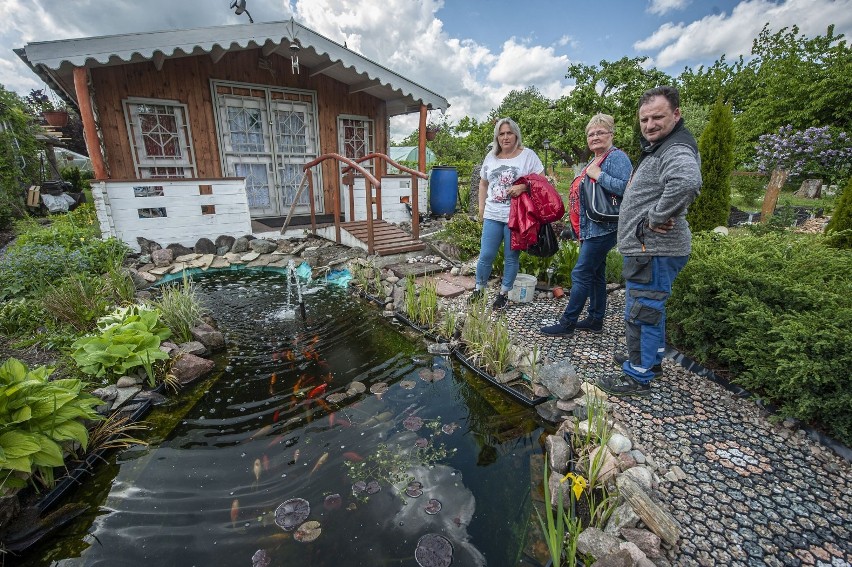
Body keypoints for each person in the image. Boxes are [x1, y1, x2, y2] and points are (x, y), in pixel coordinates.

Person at [596, 85, 702, 397]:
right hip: (650, 251)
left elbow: (686, 182)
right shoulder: (664, 145)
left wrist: (656, 217)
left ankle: (637, 376)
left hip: (653, 251)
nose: (650, 125)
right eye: (644, 119)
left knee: (642, 312)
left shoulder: (675, 148)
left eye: (658, 117)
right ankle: (649, 360)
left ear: (676, 114)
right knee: (650, 308)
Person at [540, 113, 632, 336]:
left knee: (581, 274)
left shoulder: (615, 158)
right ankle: (595, 319)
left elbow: (628, 189)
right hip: (590, 228)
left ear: (611, 133)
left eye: (600, 132)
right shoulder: (595, 159)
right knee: (595, 274)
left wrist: (600, 175)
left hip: (603, 227)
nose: (595, 137)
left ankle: (568, 323)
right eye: (591, 134)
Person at [472, 118, 544, 310]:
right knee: (486, 254)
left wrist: (523, 186)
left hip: (516, 217)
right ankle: (479, 289)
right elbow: (483, 182)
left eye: (509, 133)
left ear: (516, 135)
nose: (505, 137)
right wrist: (481, 208)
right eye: (502, 133)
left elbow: (541, 182)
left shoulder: (528, 156)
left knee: (511, 257)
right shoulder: (491, 156)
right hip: (492, 214)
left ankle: (503, 294)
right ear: (497, 136)